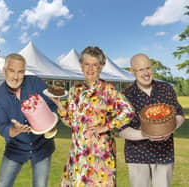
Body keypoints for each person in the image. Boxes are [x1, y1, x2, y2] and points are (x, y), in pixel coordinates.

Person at [51, 46, 134, 186]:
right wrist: (59, 105)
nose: (90, 68)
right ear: (81, 65)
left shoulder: (108, 89)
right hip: (78, 153)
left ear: (101, 67)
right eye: (86, 64)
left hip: (100, 153)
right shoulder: (74, 91)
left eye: (95, 64)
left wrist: (106, 127)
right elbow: (71, 122)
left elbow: (128, 111)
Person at [0, 53, 57, 187]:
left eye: (20, 72)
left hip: (42, 146)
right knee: (2, 184)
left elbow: (53, 106)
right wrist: (13, 130)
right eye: (12, 71)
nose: (16, 76)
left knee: (41, 184)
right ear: (4, 70)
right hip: (16, 148)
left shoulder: (36, 83)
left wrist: (51, 123)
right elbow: (1, 126)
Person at [119, 53, 185, 187]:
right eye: (141, 69)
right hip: (137, 156)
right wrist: (146, 134)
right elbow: (121, 129)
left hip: (164, 154)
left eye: (148, 68)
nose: (146, 73)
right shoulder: (125, 95)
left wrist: (170, 128)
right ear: (132, 71)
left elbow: (179, 114)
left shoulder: (166, 89)